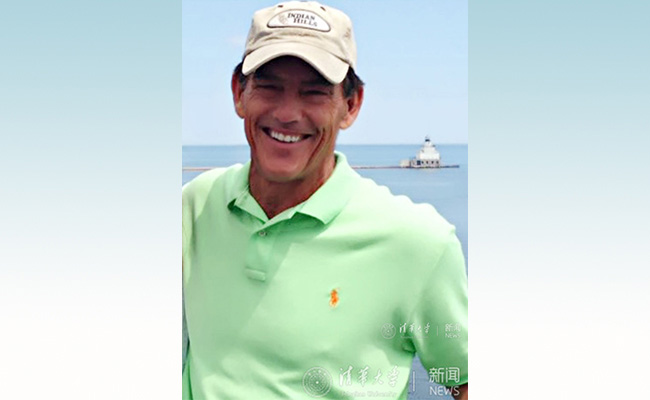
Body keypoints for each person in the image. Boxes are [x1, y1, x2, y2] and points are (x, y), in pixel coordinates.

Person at [182, 2, 468, 399]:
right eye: (269, 86)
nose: (287, 113)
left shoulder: (420, 243)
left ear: (351, 105)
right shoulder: (195, 206)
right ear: (238, 93)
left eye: (314, 92)